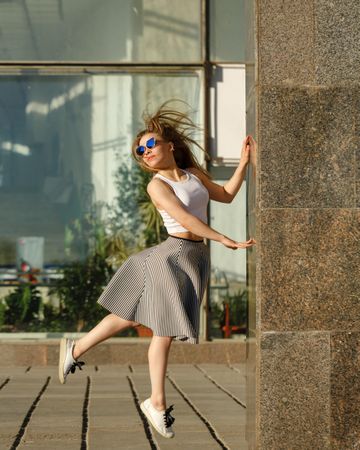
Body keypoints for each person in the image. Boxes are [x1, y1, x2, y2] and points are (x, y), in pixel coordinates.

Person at [58, 101, 256, 439]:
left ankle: (74, 350)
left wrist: (244, 163)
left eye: (151, 144)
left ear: (169, 146)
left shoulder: (193, 175)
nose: (146, 151)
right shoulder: (156, 185)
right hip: (172, 255)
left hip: (193, 257)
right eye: (140, 150)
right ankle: (156, 402)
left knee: (130, 316)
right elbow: (186, 219)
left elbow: (224, 195)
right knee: (162, 329)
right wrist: (223, 237)